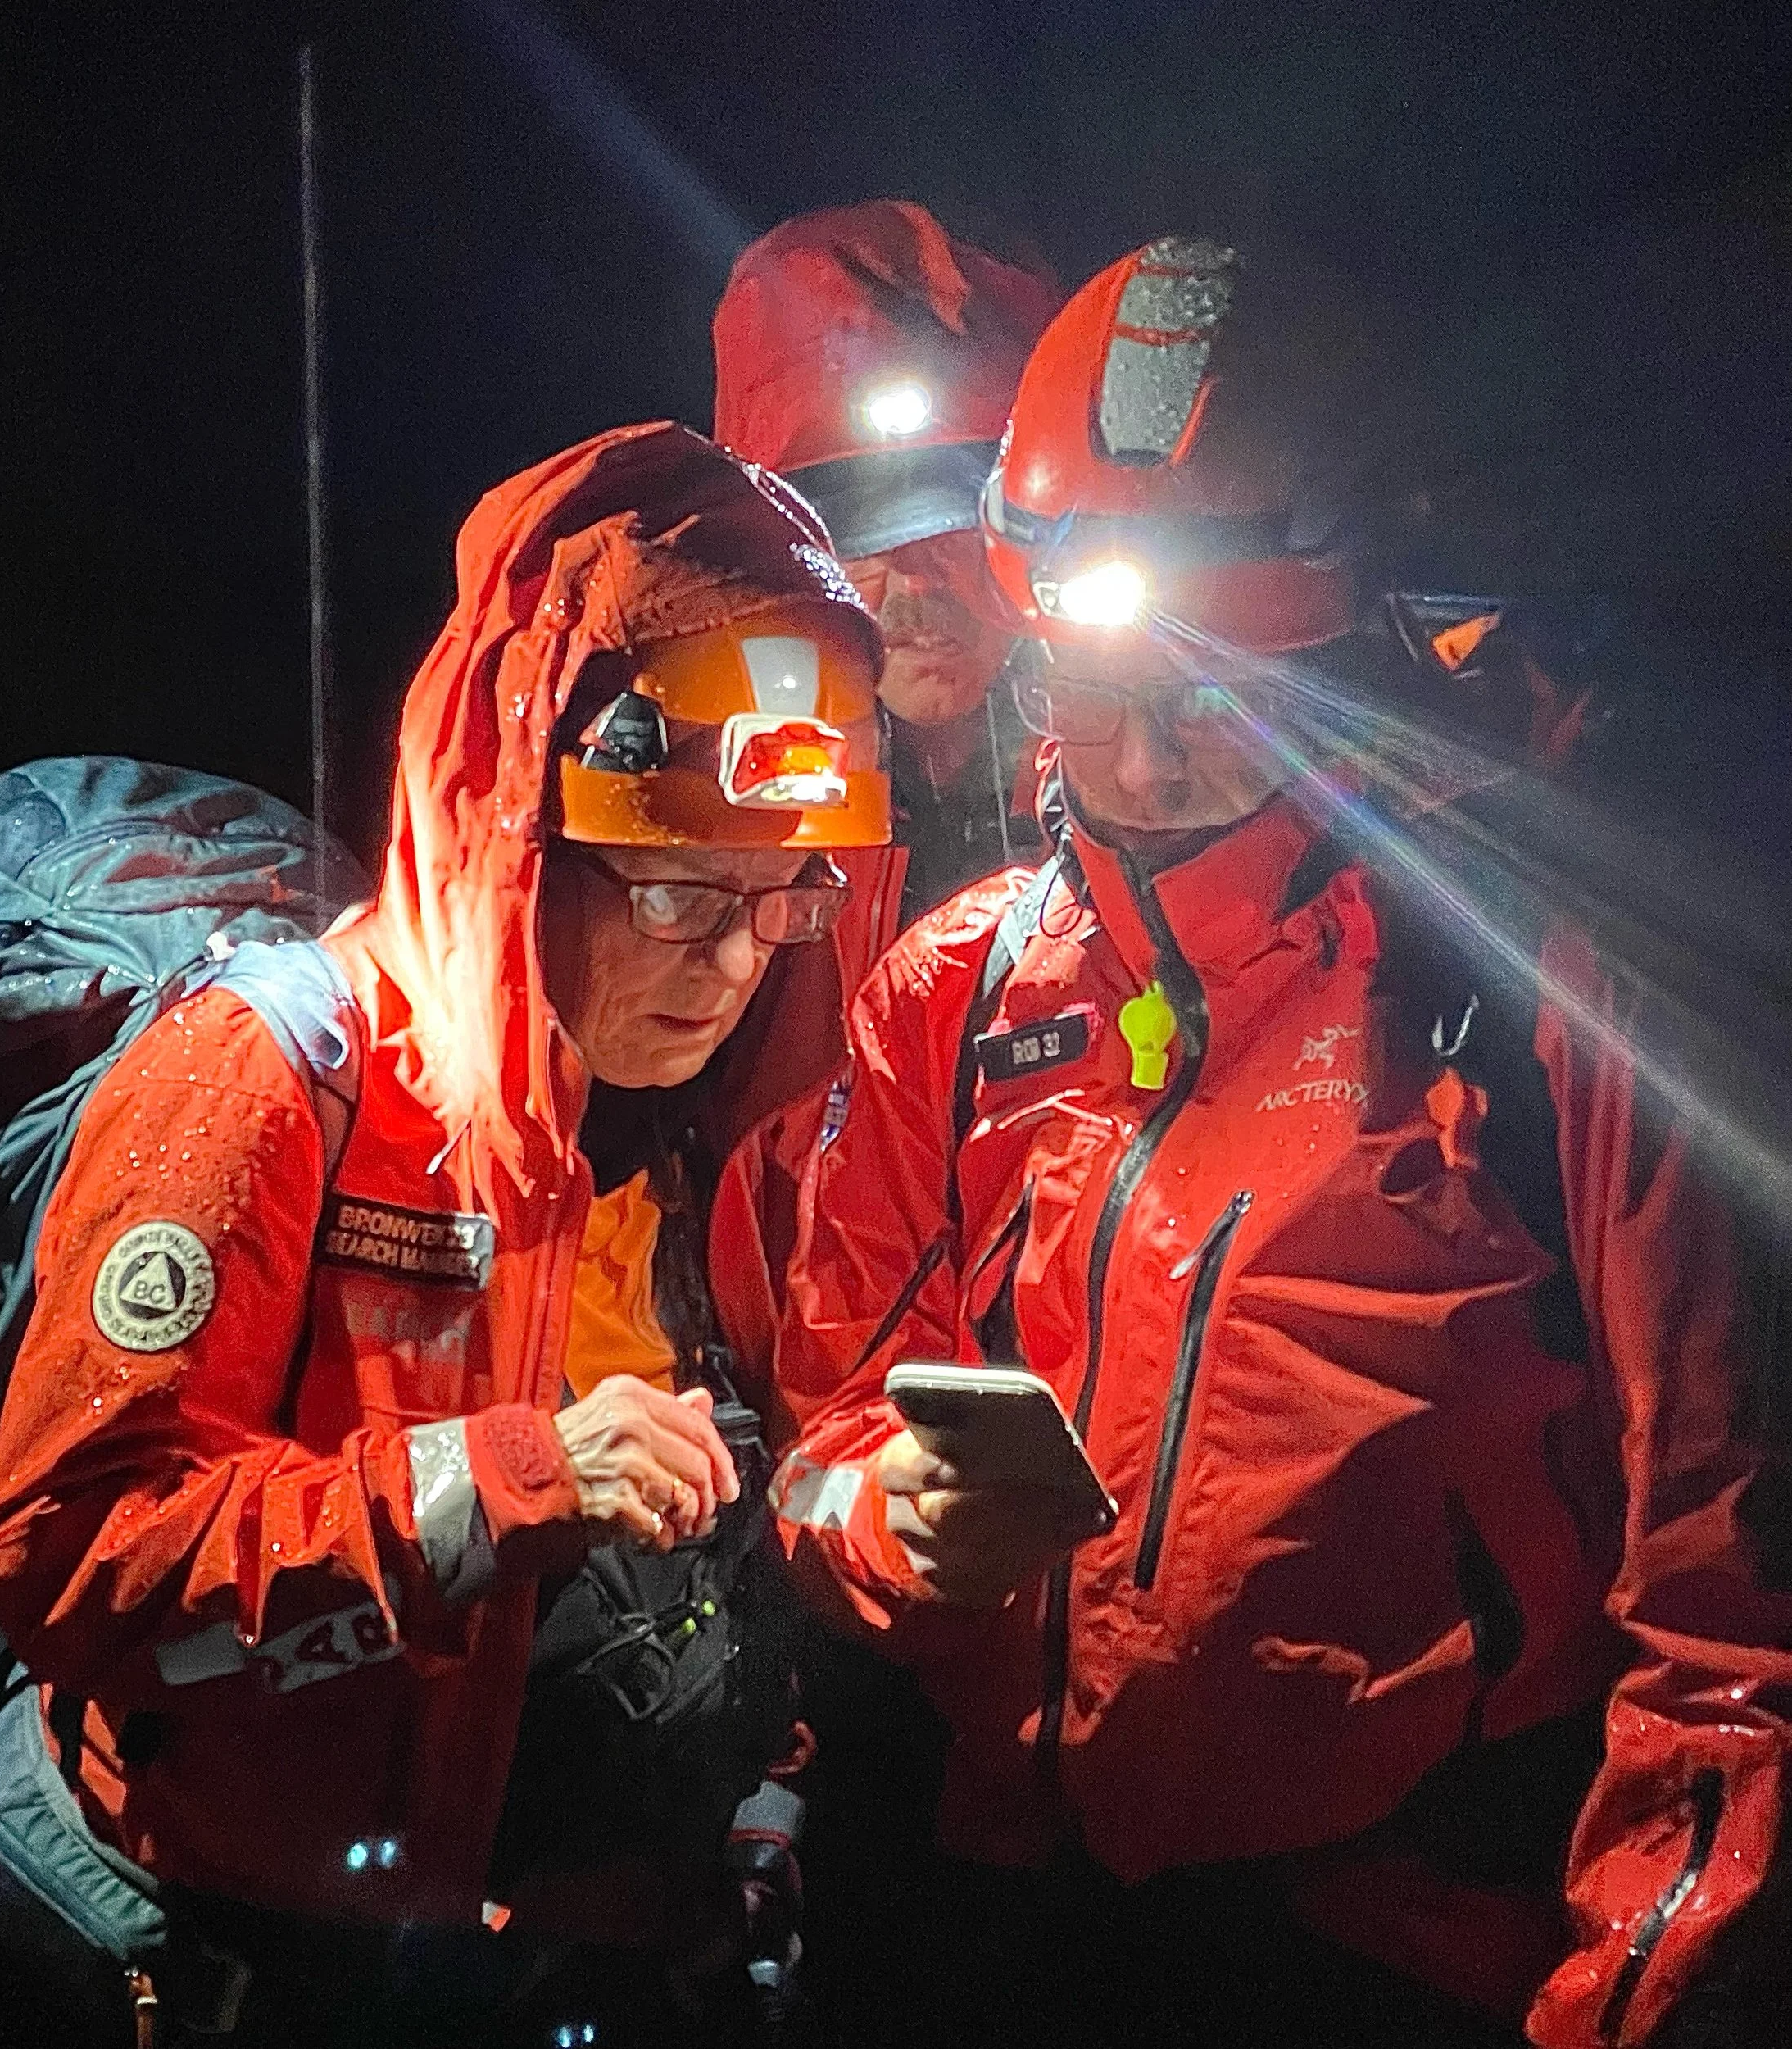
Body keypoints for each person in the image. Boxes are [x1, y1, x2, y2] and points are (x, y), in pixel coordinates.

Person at [764, 238, 1792, 2049]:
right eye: (1102, 682)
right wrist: (883, 1516)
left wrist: (1636, 1995)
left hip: (1400, 1943)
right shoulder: (959, 980)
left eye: (1221, 695)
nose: (1147, 759)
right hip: (1018, 1913)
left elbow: (1724, 1611)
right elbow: (829, 1408)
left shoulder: (1538, 994)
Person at [0, 421, 894, 2042]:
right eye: (676, 887)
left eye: (777, 895)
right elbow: (64, 1556)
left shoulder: (698, 1149)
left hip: (602, 1973)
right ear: (519, 832)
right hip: (277, 1967)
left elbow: (716, 1568)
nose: (734, 959)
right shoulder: (268, 1075)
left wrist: (759, 1815)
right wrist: (508, 1476)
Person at [712, 199, 1063, 927]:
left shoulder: (1142, 759)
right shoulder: (703, 775)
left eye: (952, 531)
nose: (917, 583)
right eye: (861, 538)